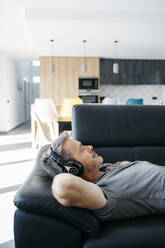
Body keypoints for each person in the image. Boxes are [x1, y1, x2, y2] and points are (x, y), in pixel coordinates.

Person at [42, 132, 165, 221]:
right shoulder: (103, 192)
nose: (90, 147)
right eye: (82, 149)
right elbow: (64, 186)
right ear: (74, 168)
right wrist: (61, 168)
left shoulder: (102, 169)